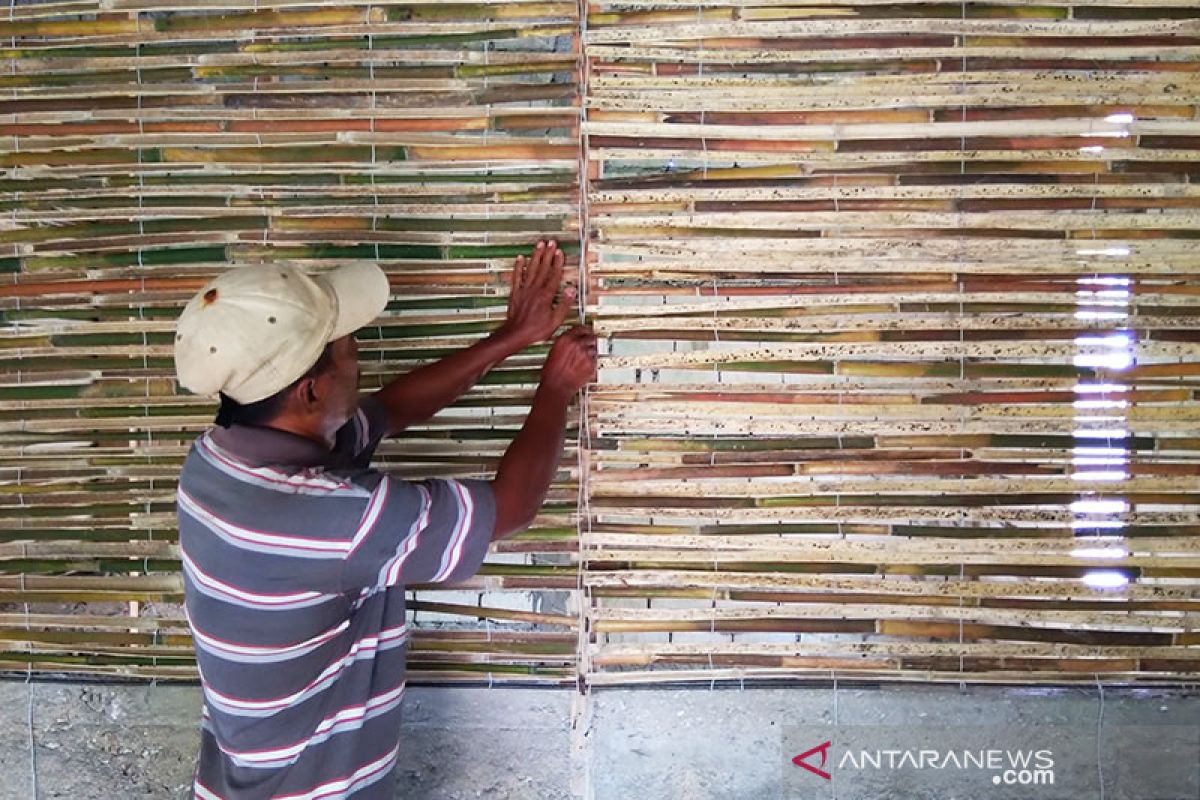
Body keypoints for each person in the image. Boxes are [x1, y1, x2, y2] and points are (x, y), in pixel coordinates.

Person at [171, 240, 596, 799]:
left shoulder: (218, 459)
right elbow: (511, 506)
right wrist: (557, 388)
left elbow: (389, 410)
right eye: (347, 344)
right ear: (311, 389)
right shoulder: (334, 519)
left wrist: (510, 338)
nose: (358, 354)